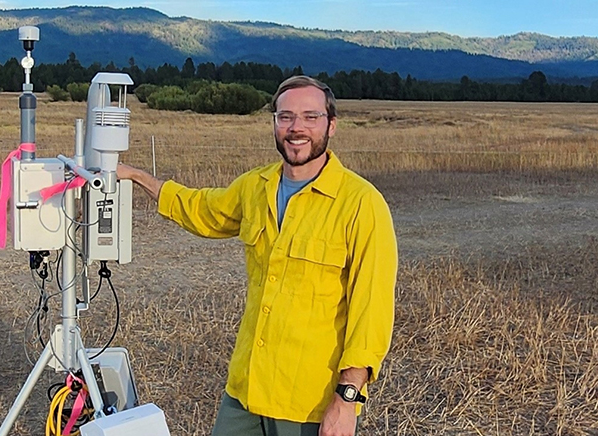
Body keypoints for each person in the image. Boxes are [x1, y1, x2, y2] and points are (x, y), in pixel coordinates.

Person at [117, 76, 396, 436]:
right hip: (246, 390)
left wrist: (347, 398)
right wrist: (137, 176)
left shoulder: (361, 204)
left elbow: (371, 311)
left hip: (308, 402)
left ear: (332, 125)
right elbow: (203, 210)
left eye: (311, 117)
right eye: (286, 117)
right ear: (274, 124)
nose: (297, 128)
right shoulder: (255, 186)